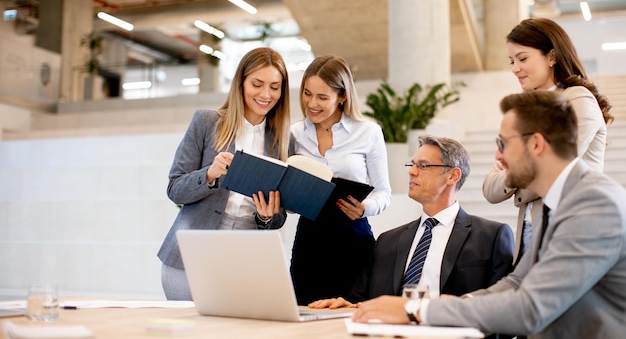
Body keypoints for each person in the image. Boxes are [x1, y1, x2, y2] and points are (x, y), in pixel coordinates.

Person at [354, 90, 626, 339]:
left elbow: (530, 309)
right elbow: (517, 282)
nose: (498, 155)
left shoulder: (594, 203)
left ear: (536, 144)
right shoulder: (554, 203)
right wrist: (432, 307)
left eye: (503, 142)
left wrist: (417, 310)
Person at [309, 135, 514, 308]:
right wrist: (348, 307)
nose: (412, 171)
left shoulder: (491, 236)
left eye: (423, 166)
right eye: (412, 164)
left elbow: (502, 312)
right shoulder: (387, 241)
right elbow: (359, 300)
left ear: (453, 175)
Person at [157, 47, 292, 300]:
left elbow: (278, 217)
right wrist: (209, 174)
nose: (266, 94)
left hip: (246, 252)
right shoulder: (207, 122)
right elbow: (174, 189)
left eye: (275, 87)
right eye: (257, 84)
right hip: (193, 251)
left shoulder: (283, 141)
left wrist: (267, 217)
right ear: (240, 83)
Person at [483, 18, 613, 263]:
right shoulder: (523, 112)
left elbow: (553, 169)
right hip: (530, 233)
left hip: (571, 230)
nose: (515, 69)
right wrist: (526, 169)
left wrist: (515, 170)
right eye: (512, 61)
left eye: (522, 59)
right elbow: (490, 189)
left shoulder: (577, 99)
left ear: (551, 57)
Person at [289, 54, 392, 305]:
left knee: (351, 317)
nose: (312, 103)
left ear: (342, 96)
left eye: (323, 97)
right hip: (309, 243)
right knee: (304, 317)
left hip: (353, 240)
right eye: (307, 93)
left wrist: (365, 208)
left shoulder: (368, 132)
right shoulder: (294, 133)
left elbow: (384, 192)